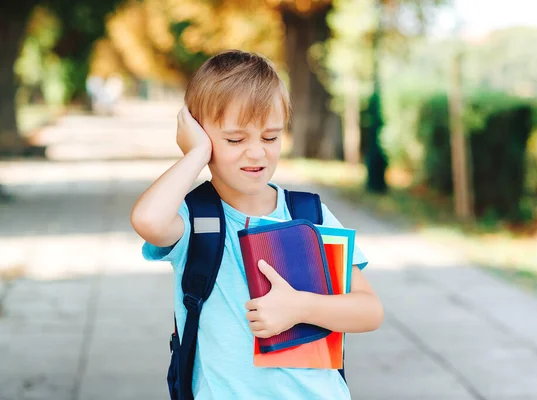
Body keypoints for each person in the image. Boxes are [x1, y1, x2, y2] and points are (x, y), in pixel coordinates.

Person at [130, 50, 384, 399]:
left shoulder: (309, 214)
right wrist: (195, 155)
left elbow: (369, 310)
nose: (256, 153)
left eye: (270, 137)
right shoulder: (197, 219)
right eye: (235, 140)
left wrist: (300, 307)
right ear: (199, 136)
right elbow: (147, 220)